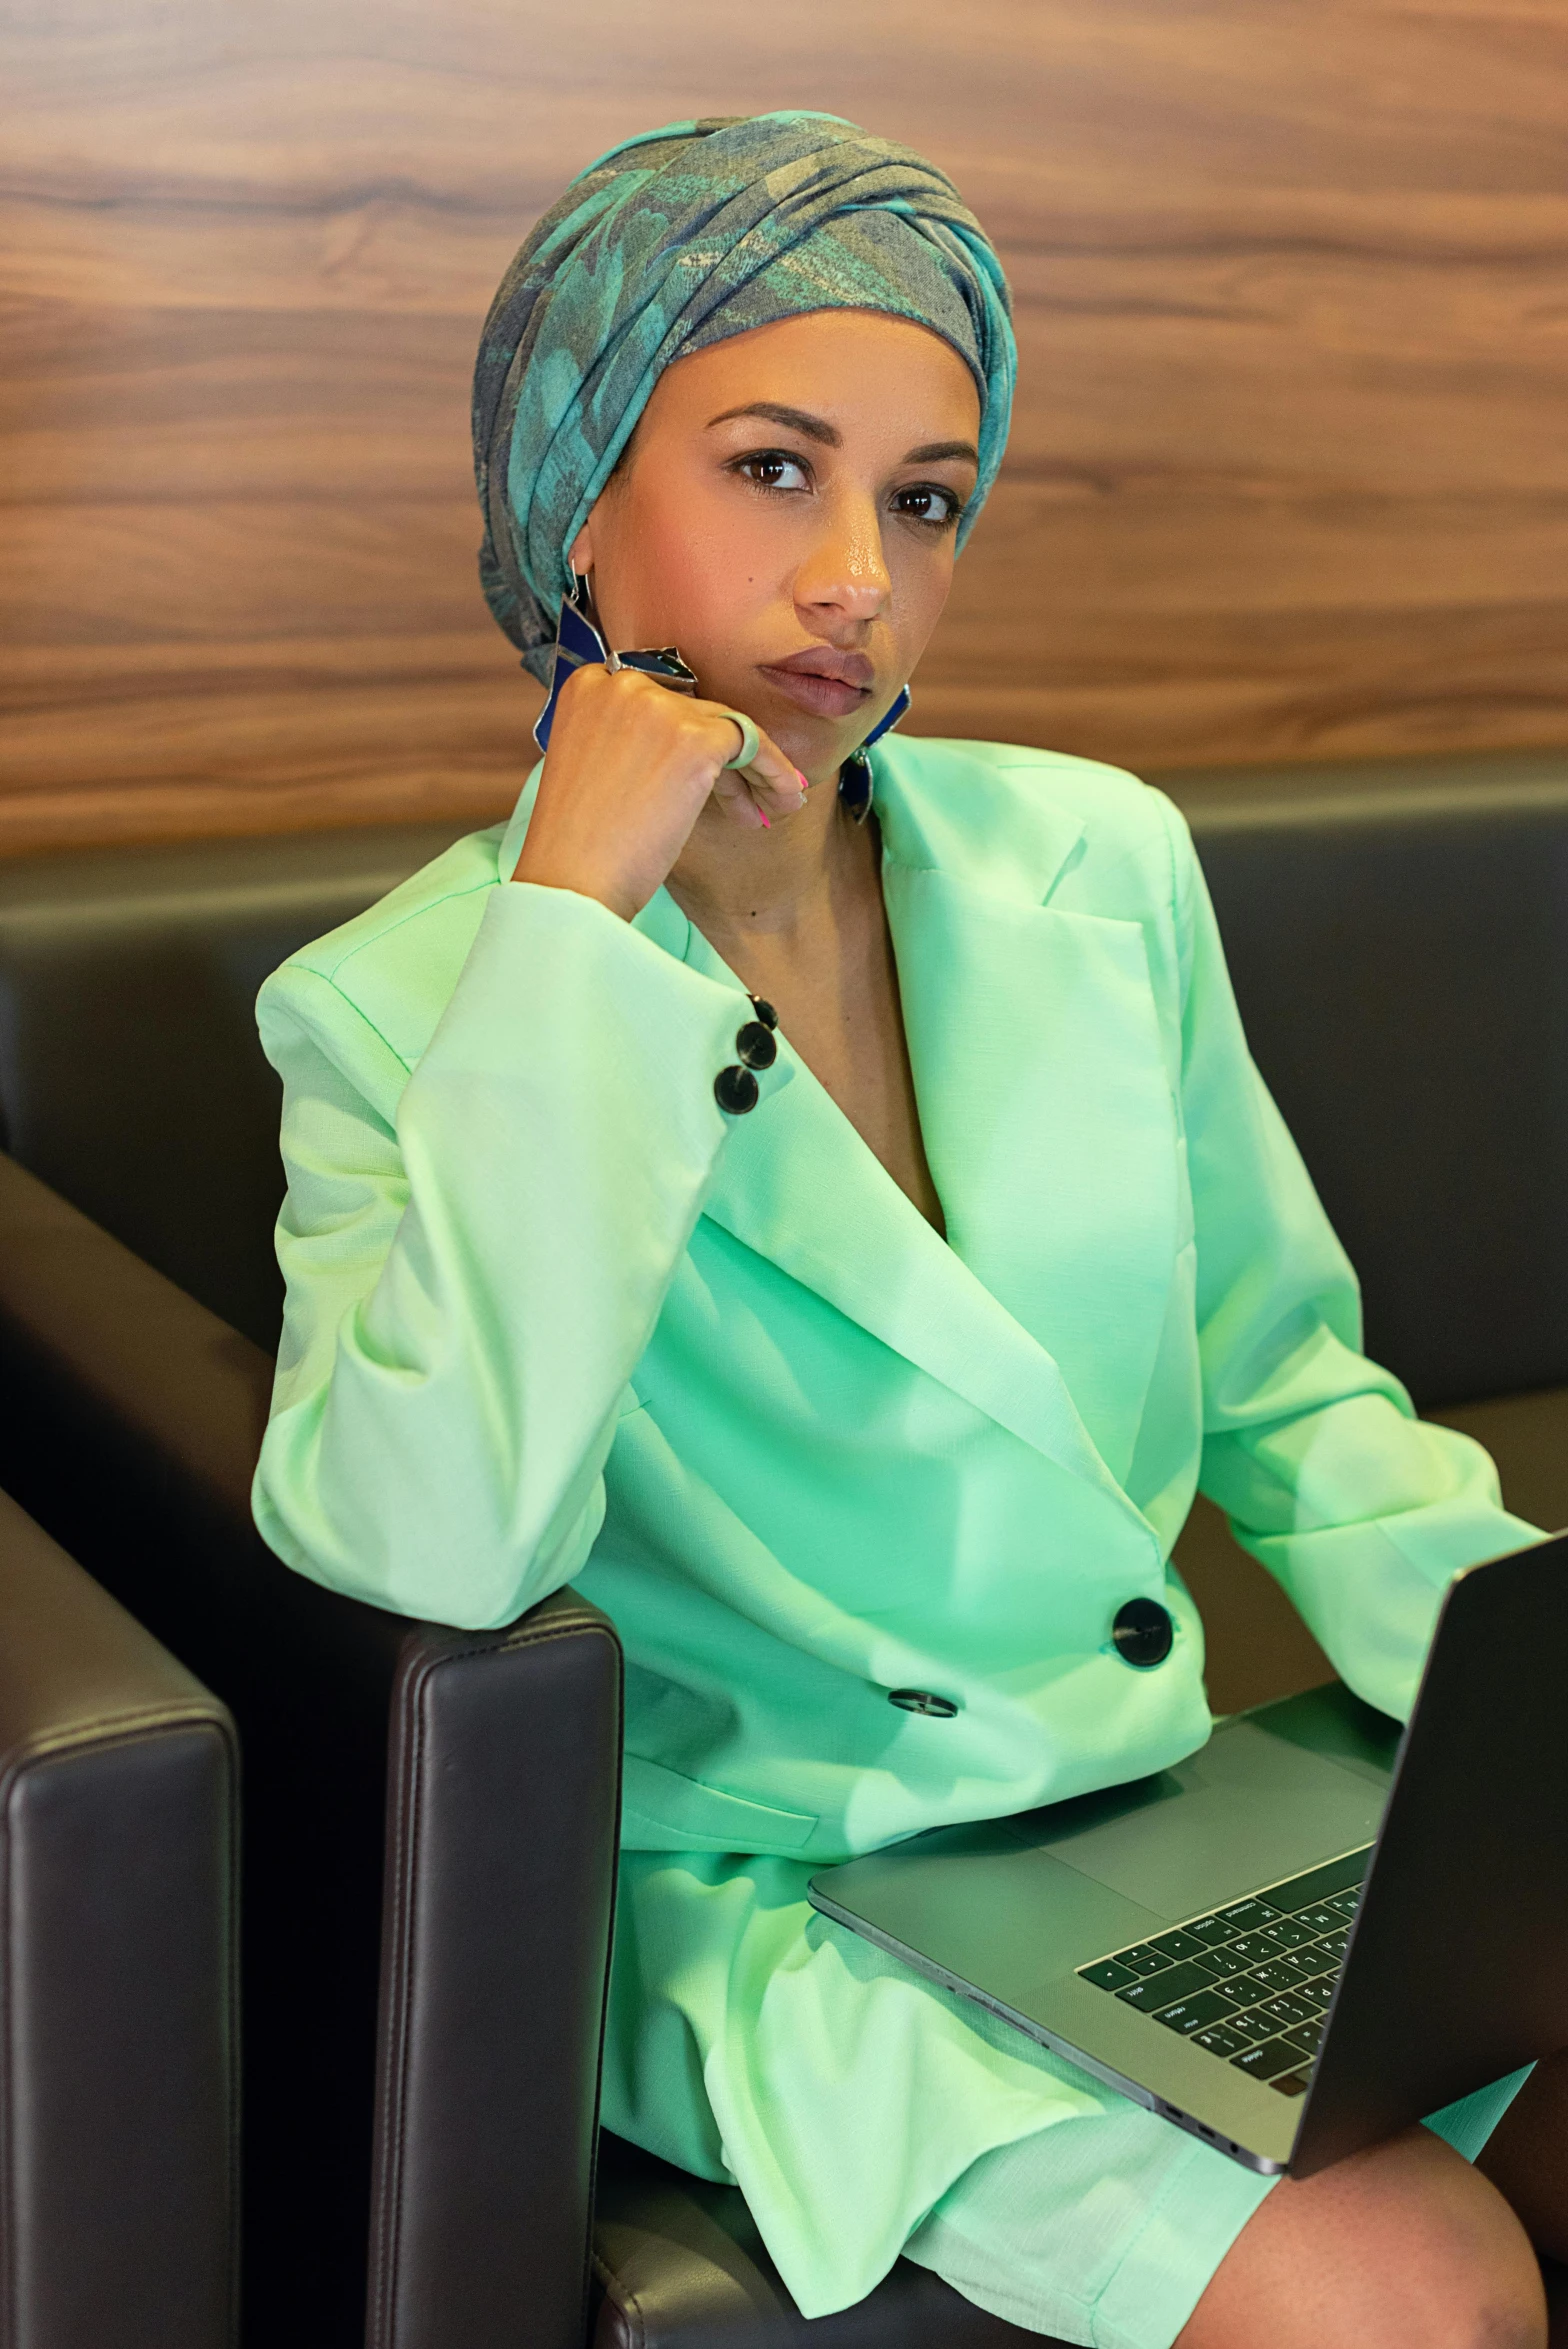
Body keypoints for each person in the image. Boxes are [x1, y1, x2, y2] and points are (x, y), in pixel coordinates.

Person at [250, 112, 1568, 2349]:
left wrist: (1516, 1716)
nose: (861, 572)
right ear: (574, 489)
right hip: (791, 1903)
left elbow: (1279, 1384)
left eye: (927, 500)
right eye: (775, 469)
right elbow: (433, 1541)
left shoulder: (1099, 863)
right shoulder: (397, 1011)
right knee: (1400, 2288)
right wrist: (574, 928)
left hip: (1149, 1819)